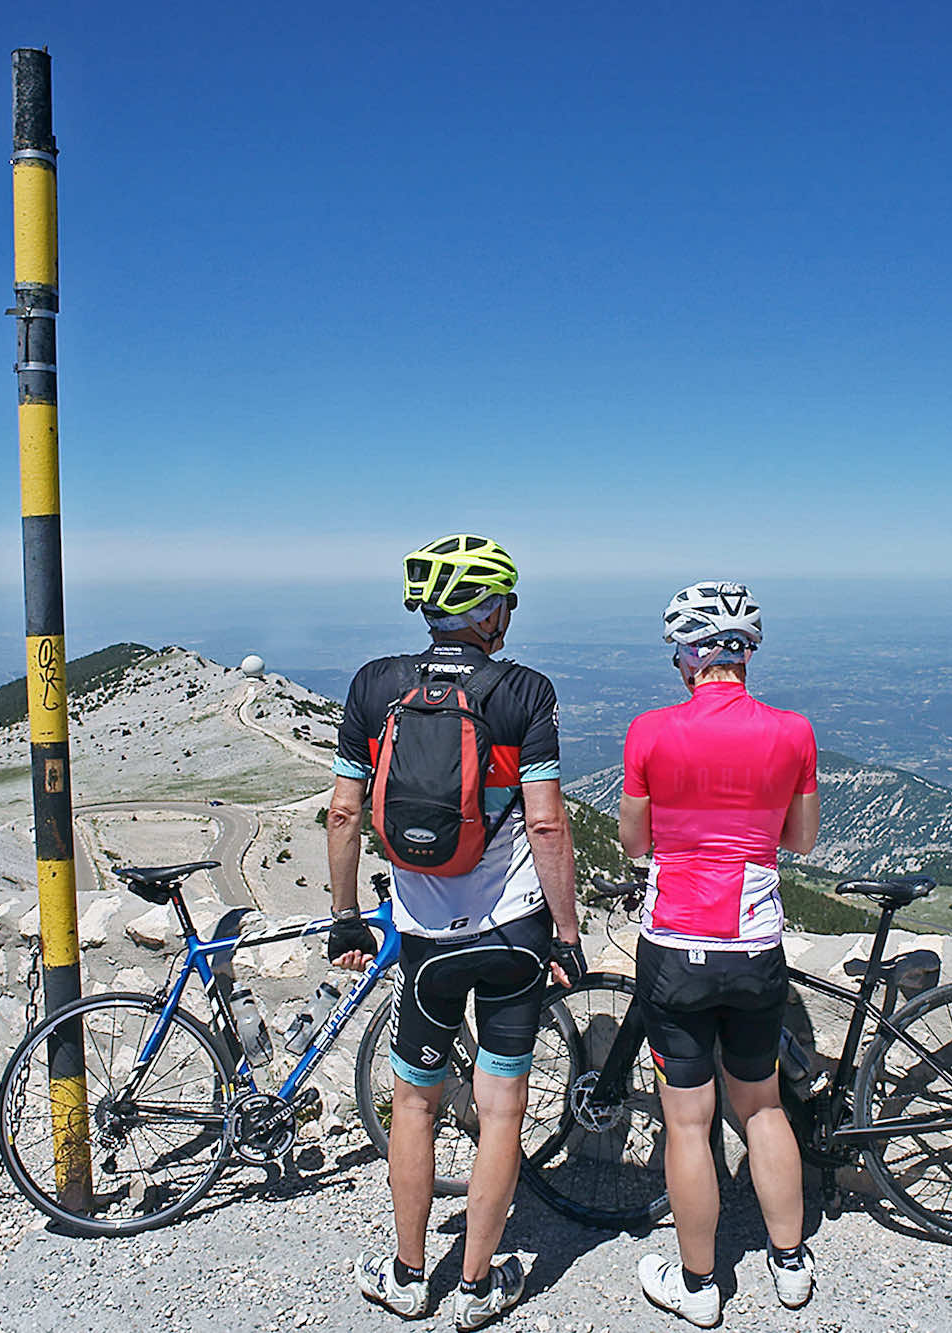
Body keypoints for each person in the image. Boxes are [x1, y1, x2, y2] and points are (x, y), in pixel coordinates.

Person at [325, 533, 586, 1330]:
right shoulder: (525, 692)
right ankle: (477, 1286)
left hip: (424, 939)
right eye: (507, 601)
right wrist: (567, 931)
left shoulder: (376, 686)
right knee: (501, 1108)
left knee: (414, 1103)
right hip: (512, 933)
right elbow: (547, 825)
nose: (510, 615)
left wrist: (346, 916)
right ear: (487, 610)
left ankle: (409, 1275)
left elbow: (342, 812)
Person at [620, 580, 820, 1327]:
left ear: (687, 656)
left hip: (675, 945)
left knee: (687, 1122)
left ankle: (699, 1285)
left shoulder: (649, 731)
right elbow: (801, 839)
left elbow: (633, 842)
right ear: (745, 655)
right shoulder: (793, 731)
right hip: (754, 944)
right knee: (761, 1104)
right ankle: (790, 1264)